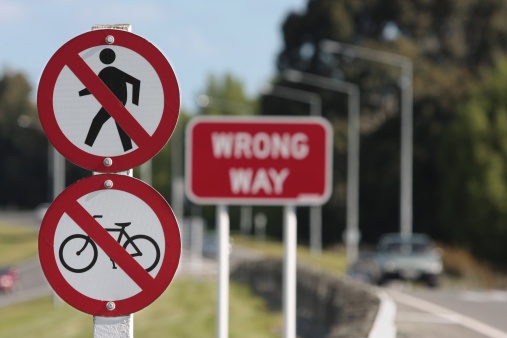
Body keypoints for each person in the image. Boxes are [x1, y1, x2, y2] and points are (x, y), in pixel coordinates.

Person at [79, 48, 141, 151]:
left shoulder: (108, 72)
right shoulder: (105, 72)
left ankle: (87, 147)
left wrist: (135, 102)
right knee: (119, 125)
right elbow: (94, 88)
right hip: (116, 103)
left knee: (97, 121)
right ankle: (128, 148)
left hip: (116, 103)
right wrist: (80, 93)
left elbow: (135, 82)